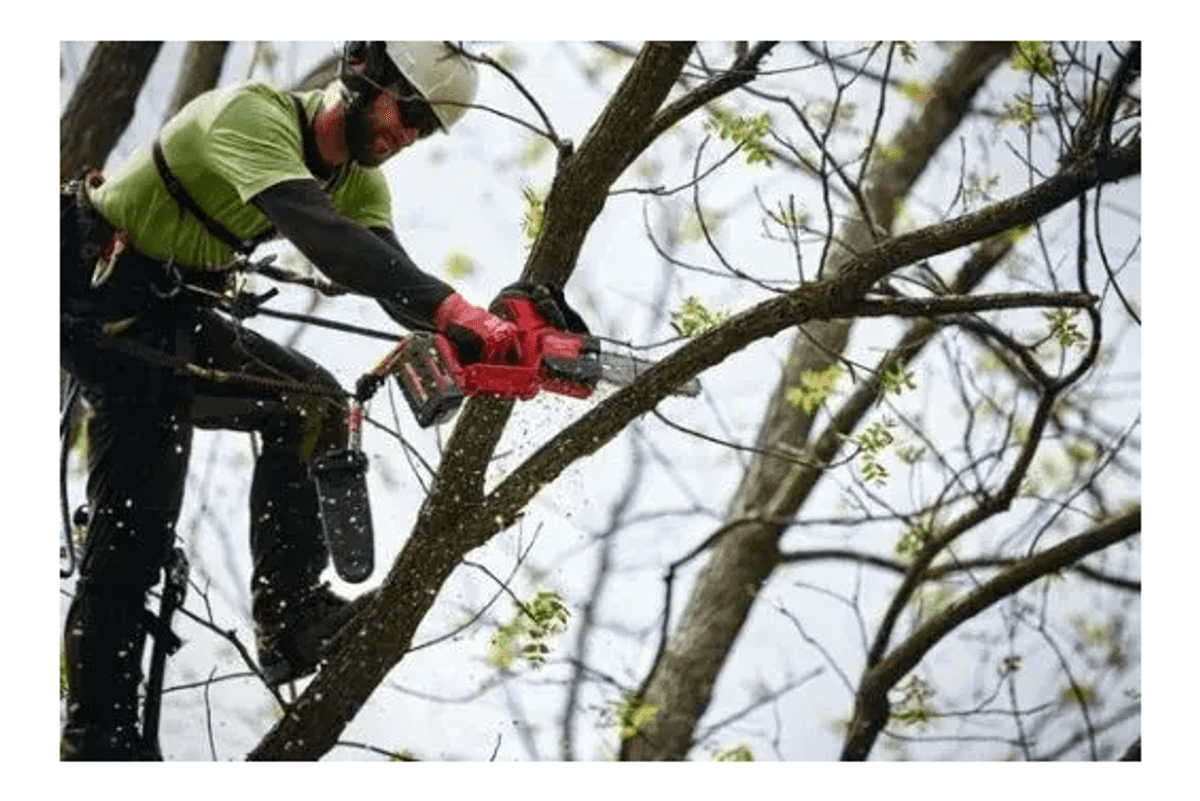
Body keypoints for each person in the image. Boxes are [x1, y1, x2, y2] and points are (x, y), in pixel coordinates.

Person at [59, 41, 517, 760]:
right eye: (409, 112)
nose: (409, 135)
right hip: (95, 289)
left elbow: (388, 273)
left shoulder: (360, 183)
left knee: (310, 404)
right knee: (135, 533)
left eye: (426, 129)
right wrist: (452, 308)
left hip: (170, 318)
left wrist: (483, 329)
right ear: (366, 73)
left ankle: (291, 618)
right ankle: (97, 742)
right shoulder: (253, 116)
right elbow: (326, 239)